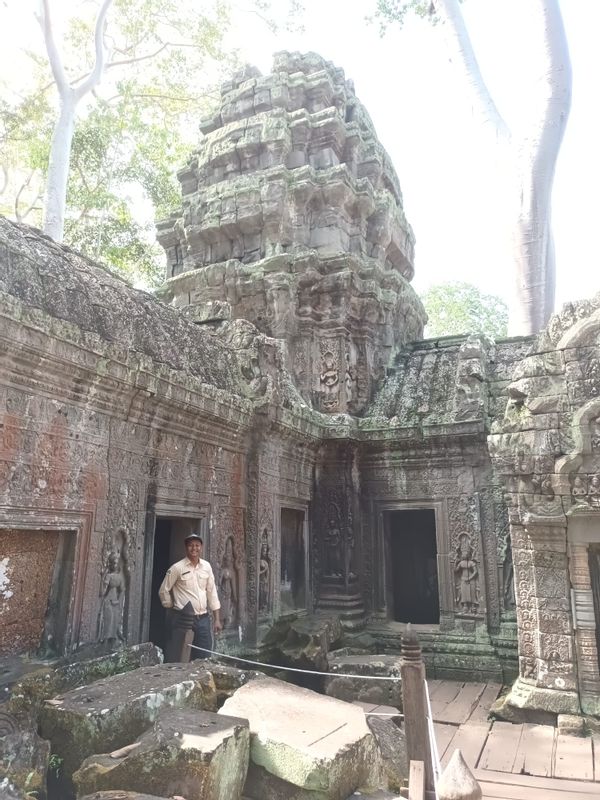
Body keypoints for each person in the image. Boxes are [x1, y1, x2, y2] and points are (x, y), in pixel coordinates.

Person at [158, 533, 222, 660]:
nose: (194, 548)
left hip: (203, 618)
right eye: (191, 545)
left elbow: (212, 592)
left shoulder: (206, 567)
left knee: (204, 654)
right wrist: (171, 605)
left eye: (197, 545)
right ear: (186, 548)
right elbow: (163, 590)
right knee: (181, 653)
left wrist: (217, 619)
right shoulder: (177, 568)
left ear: (201, 547)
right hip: (183, 619)